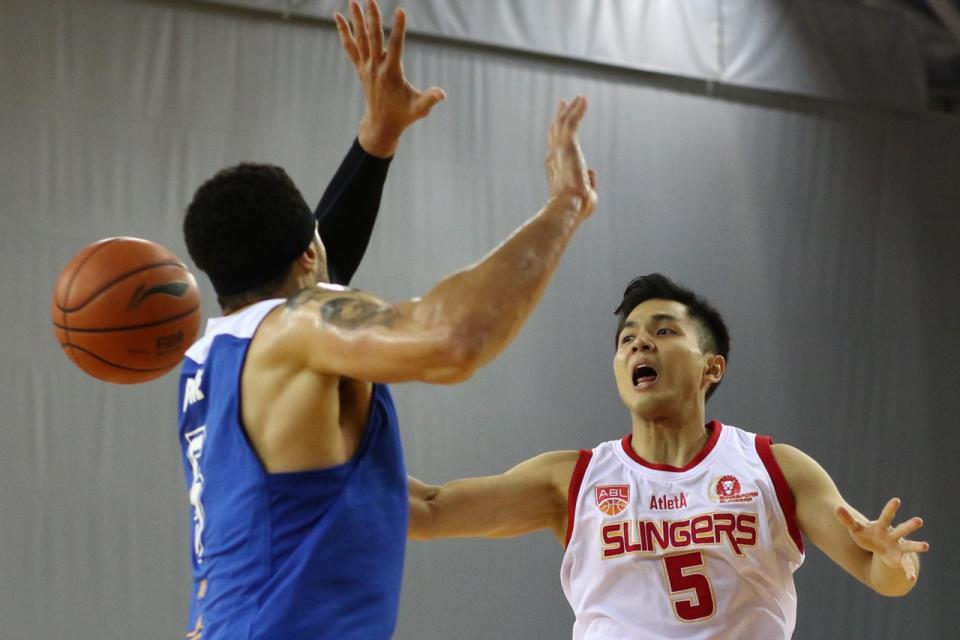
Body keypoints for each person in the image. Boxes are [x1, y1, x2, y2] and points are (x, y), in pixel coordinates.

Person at [176, 0, 598, 636]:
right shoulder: (297, 327)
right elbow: (453, 340)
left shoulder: (215, 363)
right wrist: (564, 208)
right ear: (307, 256)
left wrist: (377, 139)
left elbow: (419, 507)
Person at [408, 273, 929, 639]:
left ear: (711, 368)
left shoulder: (775, 468)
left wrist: (891, 556)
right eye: (627, 339)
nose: (640, 345)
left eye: (663, 331)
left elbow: (883, 572)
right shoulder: (572, 479)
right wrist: (334, 452)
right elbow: (428, 509)